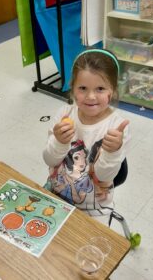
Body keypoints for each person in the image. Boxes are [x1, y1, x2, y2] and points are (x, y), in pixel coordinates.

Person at [43, 48, 131, 223]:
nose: (91, 97)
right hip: (55, 195)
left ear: (111, 91)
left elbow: (105, 177)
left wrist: (113, 151)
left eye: (100, 88)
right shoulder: (64, 114)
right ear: (73, 88)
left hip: (95, 209)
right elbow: (49, 160)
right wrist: (59, 142)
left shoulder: (116, 128)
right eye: (83, 88)